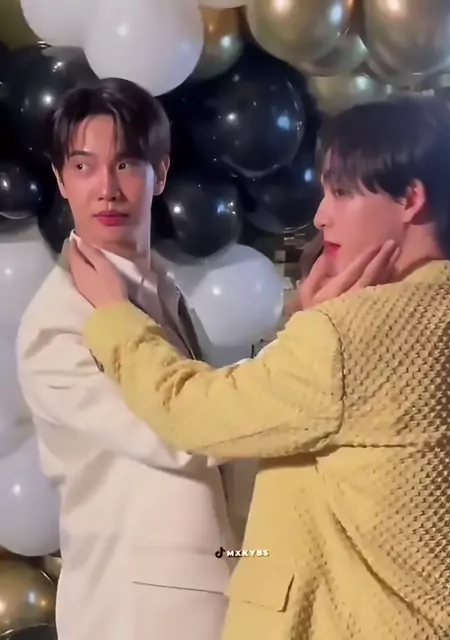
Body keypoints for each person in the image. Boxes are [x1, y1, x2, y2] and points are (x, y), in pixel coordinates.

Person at [68, 95, 450, 639]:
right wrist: (309, 324)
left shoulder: (348, 336)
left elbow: (192, 413)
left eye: (341, 192)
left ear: (410, 198)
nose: (320, 215)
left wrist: (114, 316)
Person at [17, 77, 257, 640]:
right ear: (61, 180)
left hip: (213, 586)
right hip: (132, 608)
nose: (106, 189)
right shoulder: (58, 321)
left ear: (160, 173)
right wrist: (297, 360)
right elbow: (184, 432)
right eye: (84, 166)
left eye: (125, 164)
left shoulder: (161, 288)